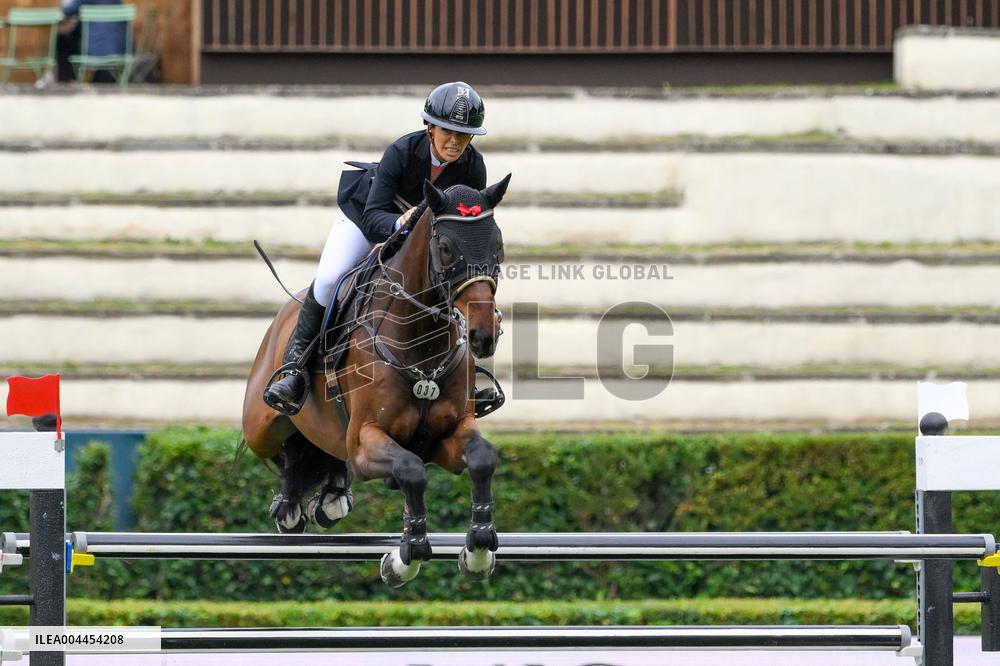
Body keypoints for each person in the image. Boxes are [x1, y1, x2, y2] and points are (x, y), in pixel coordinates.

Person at [263, 81, 489, 415]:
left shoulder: (473, 167)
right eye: (447, 131)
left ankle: (469, 378)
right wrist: (402, 223)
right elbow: (372, 218)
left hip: (426, 238)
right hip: (369, 217)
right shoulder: (401, 152)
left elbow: (465, 222)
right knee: (329, 280)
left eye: (464, 135)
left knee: (458, 287)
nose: (454, 142)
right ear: (430, 127)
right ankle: (295, 369)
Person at [56, 0, 127, 83]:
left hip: (95, 49)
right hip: (121, 48)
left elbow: (68, 10)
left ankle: (68, 82)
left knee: (61, 40)